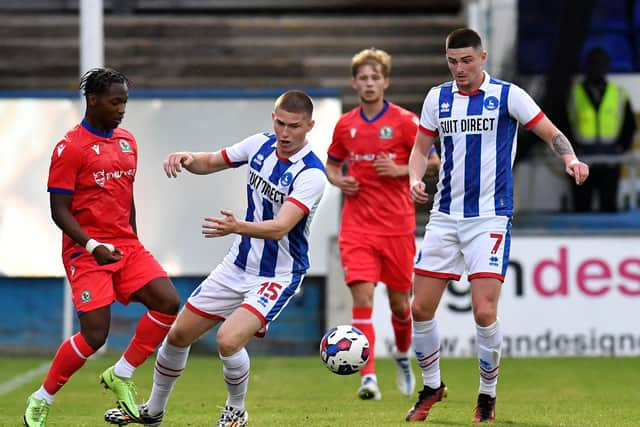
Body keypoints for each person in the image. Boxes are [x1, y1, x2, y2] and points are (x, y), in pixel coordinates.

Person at [103, 90, 326, 427]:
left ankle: (236, 410)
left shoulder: (311, 175)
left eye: (293, 126)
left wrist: (237, 226)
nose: (284, 133)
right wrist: (186, 158)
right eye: (280, 123)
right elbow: (212, 161)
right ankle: (153, 411)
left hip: (277, 275)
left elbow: (281, 227)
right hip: (237, 265)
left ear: (309, 125)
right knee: (177, 335)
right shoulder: (259, 145)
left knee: (228, 339)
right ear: (273, 119)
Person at [404, 28, 589, 423]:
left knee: (484, 311)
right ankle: (432, 386)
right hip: (445, 216)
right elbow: (420, 149)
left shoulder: (508, 95)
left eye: (466, 60)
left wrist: (570, 159)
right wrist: (414, 179)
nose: (459, 69)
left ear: (483, 57)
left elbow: (551, 132)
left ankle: (487, 397)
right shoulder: (437, 98)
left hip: (490, 216)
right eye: (452, 61)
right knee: (419, 308)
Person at [23, 68, 181, 427]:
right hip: (85, 250)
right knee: (95, 335)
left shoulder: (128, 142)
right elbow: (58, 210)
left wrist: (135, 239)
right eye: (115, 101)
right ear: (92, 100)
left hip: (125, 244)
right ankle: (41, 398)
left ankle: (121, 373)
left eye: (124, 101)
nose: (122, 108)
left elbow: (127, 197)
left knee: (168, 302)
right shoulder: (70, 148)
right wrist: (92, 245)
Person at [326, 48, 440, 401]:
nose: (370, 83)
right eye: (363, 78)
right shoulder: (346, 125)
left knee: (400, 306)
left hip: (397, 226)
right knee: (362, 299)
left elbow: (433, 161)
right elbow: (332, 166)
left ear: (385, 81)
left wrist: (401, 170)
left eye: (376, 77)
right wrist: (338, 181)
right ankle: (369, 378)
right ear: (354, 83)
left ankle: (403, 359)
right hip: (357, 226)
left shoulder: (407, 122)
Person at [566, 47, 636, 212]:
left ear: (607, 67)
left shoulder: (618, 93)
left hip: (610, 160)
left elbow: (629, 126)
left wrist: (621, 148)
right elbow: (563, 125)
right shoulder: (573, 94)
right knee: (581, 208)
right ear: (586, 67)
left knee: (609, 206)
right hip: (581, 159)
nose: (597, 68)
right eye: (593, 64)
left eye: (601, 64)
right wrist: (572, 150)